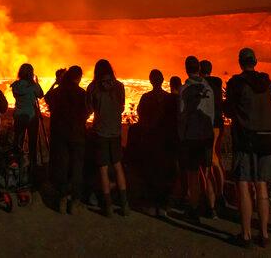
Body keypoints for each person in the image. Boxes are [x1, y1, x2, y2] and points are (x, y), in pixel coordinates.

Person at [223, 48, 271, 248]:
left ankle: (246, 235)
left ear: (240, 62)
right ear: (255, 62)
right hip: (268, 141)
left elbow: (230, 110)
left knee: (243, 186)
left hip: (245, 140)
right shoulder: (268, 82)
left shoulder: (236, 83)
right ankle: (264, 234)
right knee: (261, 186)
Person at [45, 65, 90, 214]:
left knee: (62, 166)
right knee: (77, 167)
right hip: (77, 134)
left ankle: (62, 199)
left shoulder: (58, 92)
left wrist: (57, 83)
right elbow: (88, 111)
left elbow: (47, 97)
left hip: (60, 134)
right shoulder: (82, 93)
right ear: (79, 77)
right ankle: (75, 201)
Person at [87, 58, 128, 217]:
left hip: (100, 132)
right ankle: (124, 205)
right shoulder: (119, 86)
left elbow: (89, 108)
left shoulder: (93, 87)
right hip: (116, 132)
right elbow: (122, 106)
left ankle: (109, 206)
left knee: (103, 170)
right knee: (118, 166)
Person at [179, 56, 217, 221]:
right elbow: (212, 113)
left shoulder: (185, 89)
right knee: (206, 173)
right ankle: (211, 208)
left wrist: (182, 135)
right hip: (207, 136)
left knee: (193, 174)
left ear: (186, 68)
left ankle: (194, 209)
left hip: (192, 137)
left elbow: (182, 115)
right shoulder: (208, 88)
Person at [135, 69, 173, 216]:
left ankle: (151, 204)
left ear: (151, 81)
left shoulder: (146, 98)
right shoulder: (170, 98)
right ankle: (163, 205)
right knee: (164, 173)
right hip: (165, 140)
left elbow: (140, 115)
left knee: (151, 172)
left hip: (151, 140)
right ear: (162, 80)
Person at [200, 59, 226, 206]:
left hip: (207, 126)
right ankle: (220, 193)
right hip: (218, 124)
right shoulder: (217, 82)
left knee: (210, 160)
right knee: (215, 157)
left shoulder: (201, 85)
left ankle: (213, 196)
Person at [11, 63, 45, 172]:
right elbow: (40, 95)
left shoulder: (15, 85)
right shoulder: (33, 85)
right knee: (32, 142)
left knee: (18, 141)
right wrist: (36, 83)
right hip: (31, 116)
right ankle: (32, 165)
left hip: (19, 115)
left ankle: (17, 164)